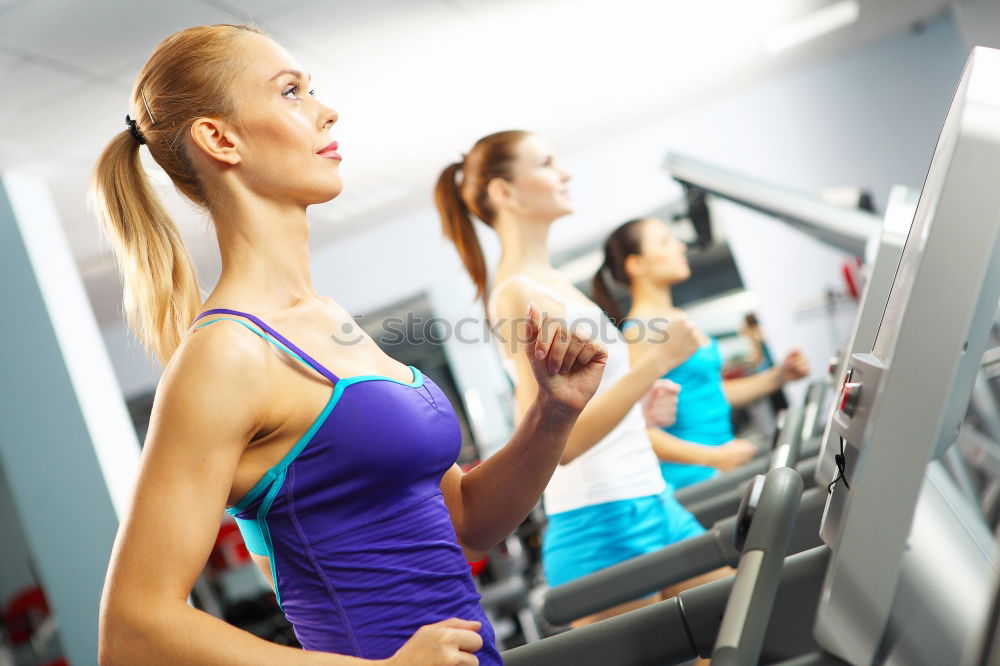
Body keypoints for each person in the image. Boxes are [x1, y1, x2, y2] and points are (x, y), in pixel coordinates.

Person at [91, 24, 609, 665]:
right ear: (220, 139)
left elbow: (469, 519)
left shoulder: (327, 319)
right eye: (290, 92)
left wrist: (552, 414)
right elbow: (134, 629)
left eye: (312, 89)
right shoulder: (228, 354)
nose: (325, 110)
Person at [435, 130, 719, 627]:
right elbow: (555, 442)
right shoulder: (517, 292)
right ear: (504, 192)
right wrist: (655, 362)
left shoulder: (554, 281)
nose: (564, 172)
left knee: (746, 630)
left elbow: (582, 407)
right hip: (603, 522)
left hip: (651, 498)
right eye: (546, 163)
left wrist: (636, 408)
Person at [594, 216, 810, 490]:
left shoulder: (675, 318)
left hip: (719, 465)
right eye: (665, 241)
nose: (680, 246)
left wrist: (777, 377)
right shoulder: (642, 332)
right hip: (692, 479)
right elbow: (635, 427)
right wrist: (715, 457)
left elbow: (710, 392)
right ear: (637, 264)